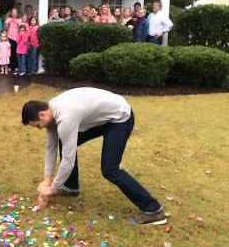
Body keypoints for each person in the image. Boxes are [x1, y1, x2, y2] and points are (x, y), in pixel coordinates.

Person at [21, 87, 167, 225]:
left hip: (120, 118)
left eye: (38, 125)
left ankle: (153, 210)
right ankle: (71, 187)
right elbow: (50, 147)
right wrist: (47, 179)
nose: (40, 129)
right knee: (63, 140)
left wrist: (53, 188)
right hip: (102, 117)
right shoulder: (51, 111)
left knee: (110, 170)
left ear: (42, 114)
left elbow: (68, 160)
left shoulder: (65, 117)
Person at [5, 8, 21, 73]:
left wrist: (17, 23)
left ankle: (16, 66)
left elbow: (20, 29)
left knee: (16, 53)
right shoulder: (8, 19)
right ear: (11, 13)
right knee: (10, 53)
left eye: (15, 12)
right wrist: (7, 23)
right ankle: (10, 66)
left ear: (17, 13)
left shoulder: (19, 20)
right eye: (13, 12)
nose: (14, 13)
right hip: (10, 37)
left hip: (16, 38)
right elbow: (5, 28)